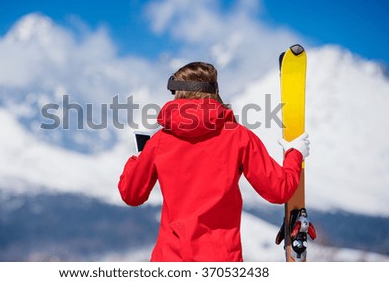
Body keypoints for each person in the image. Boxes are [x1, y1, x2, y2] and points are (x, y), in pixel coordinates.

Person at [118, 62, 310, 262]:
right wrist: (294, 153)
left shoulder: (159, 142)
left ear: (176, 93)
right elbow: (279, 190)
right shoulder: (238, 137)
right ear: (215, 90)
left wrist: (139, 157)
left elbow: (131, 195)